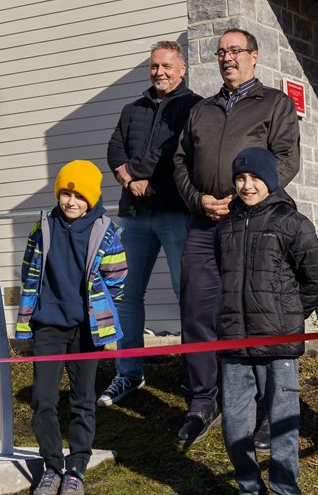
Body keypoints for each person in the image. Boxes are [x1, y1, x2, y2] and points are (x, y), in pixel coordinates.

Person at [172, 27, 300, 446]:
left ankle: (267, 411)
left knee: (259, 314)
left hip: (254, 226)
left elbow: (286, 160)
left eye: (235, 50)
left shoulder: (275, 103)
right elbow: (180, 162)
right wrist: (199, 200)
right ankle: (202, 403)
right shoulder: (202, 110)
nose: (227, 57)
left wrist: (248, 197)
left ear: (254, 56)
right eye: (221, 52)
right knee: (196, 312)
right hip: (204, 224)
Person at [216, 146, 318, 495]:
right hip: (234, 341)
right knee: (235, 424)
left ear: (270, 180)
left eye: (255, 178)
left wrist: (292, 315)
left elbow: (315, 278)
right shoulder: (225, 226)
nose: (247, 186)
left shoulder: (293, 223)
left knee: (282, 423)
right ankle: (249, 486)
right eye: (240, 178)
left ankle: (284, 487)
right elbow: (224, 273)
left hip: (279, 343)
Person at [99, 40, 201, 408]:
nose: (159, 72)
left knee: (186, 294)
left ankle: (198, 378)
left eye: (166, 66)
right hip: (135, 214)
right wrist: (130, 181)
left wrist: (146, 178)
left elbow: (183, 157)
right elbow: (115, 150)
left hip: (175, 211)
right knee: (125, 294)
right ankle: (128, 372)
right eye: (154, 66)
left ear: (182, 69)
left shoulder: (195, 108)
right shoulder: (132, 109)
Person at [15, 160, 127, 495]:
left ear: (91, 198)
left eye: (78, 195)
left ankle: (76, 468)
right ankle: (51, 467)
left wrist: (100, 314)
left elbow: (118, 280)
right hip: (48, 326)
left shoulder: (105, 231)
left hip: (86, 330)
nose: (71, 201)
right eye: (65, 193)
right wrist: (36, 308)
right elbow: (28, 269)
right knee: (43, 400)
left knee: (82, 400)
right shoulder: (44, 226)